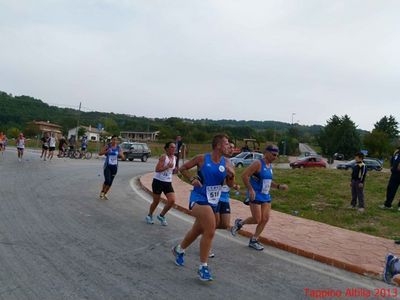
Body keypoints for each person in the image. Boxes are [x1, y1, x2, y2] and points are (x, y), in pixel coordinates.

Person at [172, 134, 234, 281]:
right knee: (210, 229)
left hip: (214, 201)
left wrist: (231, 175)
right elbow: (183, 168)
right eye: (226, 143)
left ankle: (179, 249)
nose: (229, 146)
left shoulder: (226, 162)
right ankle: (203, 267)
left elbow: (229, 185)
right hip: (199, 199)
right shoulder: (202, 158)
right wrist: (192, 178)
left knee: (197, 230)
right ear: (218, 145)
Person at [231, 144, 288, 251]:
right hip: (255, 194)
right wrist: (250, 189)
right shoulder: (258, 163)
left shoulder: (269, 165)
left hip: (265, 195)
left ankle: (254, 240)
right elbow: (244, 175)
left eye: (277, 155)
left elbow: (268, 182)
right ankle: (240, 223)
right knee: (257, 219)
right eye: (273, 155)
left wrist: (279, 186)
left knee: (265, 219)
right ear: (266, 153)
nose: (275, 157)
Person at [209, 142, 240, 258]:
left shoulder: (232, 163)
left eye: (232, 148)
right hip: (215, 195)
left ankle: (206, 228)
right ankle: (207, 244)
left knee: (225, 224)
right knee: (215, 223)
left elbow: (230, 182)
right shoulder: (217, 160)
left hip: (225, 196)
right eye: (229, 147)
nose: (231, 149)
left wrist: (234, 183)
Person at [145, 141, 176, 226]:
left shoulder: (174, 158)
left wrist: (175, 170)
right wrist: (167, 167)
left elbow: (172, 170)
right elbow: (157, 169)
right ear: (167, 149)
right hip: (158, 182)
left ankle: (161, 215)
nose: (173, 149)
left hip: (168, 182)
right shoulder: (163, 157)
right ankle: (149, 215)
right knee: (156, 201)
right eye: (171, 147)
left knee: (172, 200)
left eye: (174, 147)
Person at [98, 135, 125, 200]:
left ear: (117, 141)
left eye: (116, 140)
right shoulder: (108, 146)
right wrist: (106, 151)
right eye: (114, 140)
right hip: (107, 166)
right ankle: (102, 191)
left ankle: (105, 193)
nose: (115, 141)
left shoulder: (118, 148)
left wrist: (121, 155)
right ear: (111, 140)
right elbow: (100, 153)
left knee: (110, 182)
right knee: (107, 180)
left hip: (114, 167)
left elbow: (123, 158)